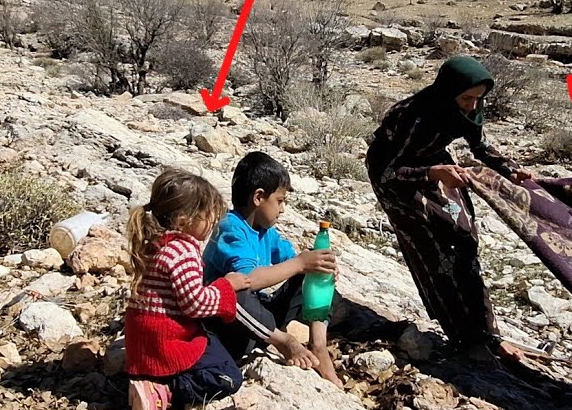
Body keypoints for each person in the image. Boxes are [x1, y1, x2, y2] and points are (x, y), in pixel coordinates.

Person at [365, 55, 534, 362]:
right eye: (467, 98)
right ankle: (464, 339)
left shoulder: (467, 108)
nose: (472, 106)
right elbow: (389, 171)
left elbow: (479, 146)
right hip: (397, 177)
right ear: (449, 91)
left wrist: (510, 169)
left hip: (434, 164)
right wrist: (431, 173)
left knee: (465, 239)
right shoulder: (413, 116)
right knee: (435, 252)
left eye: (478, 99)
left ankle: (489, 335)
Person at [203, 151, 344, 387]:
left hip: (256, 326)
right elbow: (247, 279)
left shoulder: (265, 232)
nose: (283, 209)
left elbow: (297, 263)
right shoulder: (230, 229)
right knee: (234, 291)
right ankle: (284, 342)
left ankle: (318, 346)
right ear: (259, 197)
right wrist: (300, 263)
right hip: (226, 329)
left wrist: (317, 268)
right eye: (279, 201)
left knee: (314, 276)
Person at [122, 168, 253, 410]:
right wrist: (227, 286)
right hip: (166, 343)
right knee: (228, 376)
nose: (212, 222)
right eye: (206, 216)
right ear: (184, 221)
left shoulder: (157, 244)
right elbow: (196, 304)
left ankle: (149, 381)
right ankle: (164, 391)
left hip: (143, 343)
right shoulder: (182, 251)